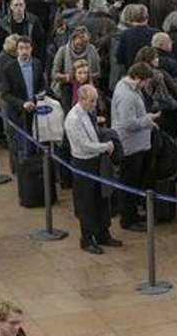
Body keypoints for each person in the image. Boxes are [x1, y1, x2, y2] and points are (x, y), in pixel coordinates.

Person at [64, 84, 121, 254]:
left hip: (96, 162)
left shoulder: (89, 112)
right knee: (86, 203)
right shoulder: (73, 119)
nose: (94, 104)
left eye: (95, 100)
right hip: (83, 164)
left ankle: (103, 234)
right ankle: (87, 239)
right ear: (81, 100)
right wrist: (106, 146)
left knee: (101, 199)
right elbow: (84, 145)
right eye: (91, 101)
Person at [112, 62, 160, 232]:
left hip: (136, 143)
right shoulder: (127, 96)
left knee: (132, 182)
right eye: (146, 81)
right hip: (130, 146)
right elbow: (127, 123)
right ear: (138, 79)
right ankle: (128, 219)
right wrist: (147, 120)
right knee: (129, 183)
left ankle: (131, 214)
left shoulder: (127, 87)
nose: (146, 85)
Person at [0, 36, 46, 166]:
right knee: (19, 144)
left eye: (27, 48)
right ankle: (19, 171)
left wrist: (43, 96)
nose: (24, 51)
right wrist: (22, 104)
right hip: (17, 112)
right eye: (21, 48)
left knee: (33, 142)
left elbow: (42, 85)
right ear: (16, 50)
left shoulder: (37, 64)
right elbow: (5, 94)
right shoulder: (9, 68)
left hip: (34, 109)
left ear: (31, 49)